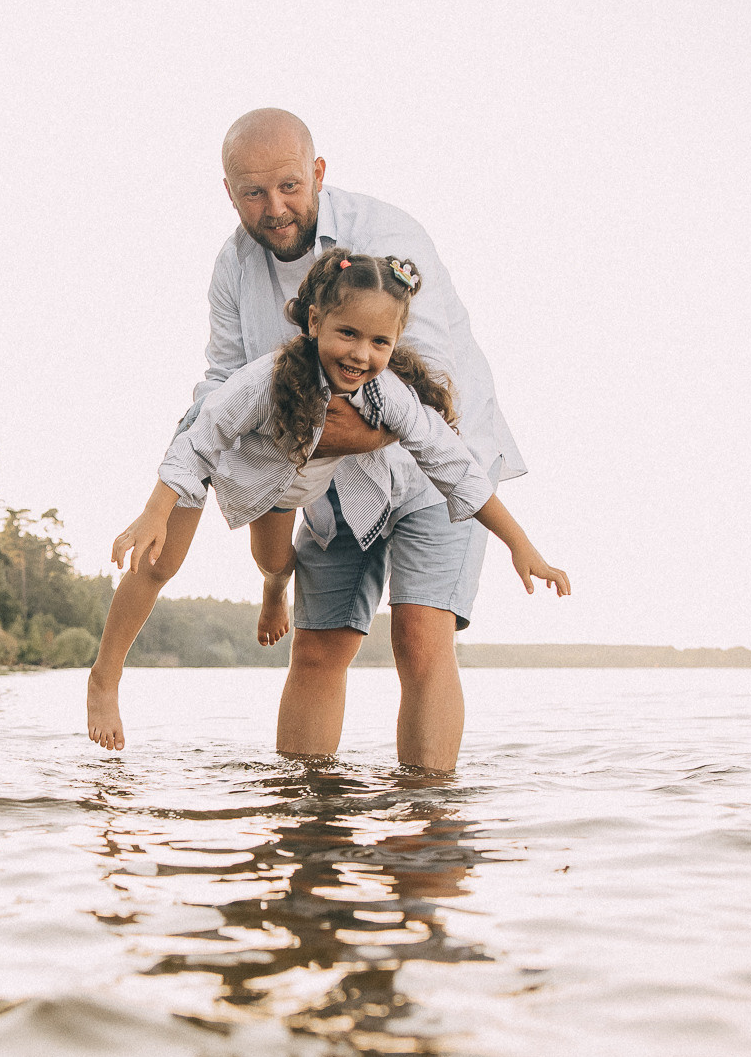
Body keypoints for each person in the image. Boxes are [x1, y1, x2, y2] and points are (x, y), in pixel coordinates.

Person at [87, 109, 528, 769]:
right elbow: (222, 381)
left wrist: (524, 545)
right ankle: (305, 826)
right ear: (229, 192)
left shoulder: (387, 238)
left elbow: (431, 387)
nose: (275, 208)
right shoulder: (235, 266)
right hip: (318, 469)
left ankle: (427, 829)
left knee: (419, 634)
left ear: (318, 172)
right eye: (254, 192)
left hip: (428, 462)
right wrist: (189, 464)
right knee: (318, 645)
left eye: (290, 186)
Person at [108, 248, 566, 765]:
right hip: (256, 481)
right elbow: (198, 439)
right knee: (271, 560)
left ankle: (423, 808)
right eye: (347, 333)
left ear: (395, 344)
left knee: (308, 577)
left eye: (379, 342)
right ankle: (268, 591)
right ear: (314, 321)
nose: (360, 354)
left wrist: (522, 545)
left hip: (311, 486)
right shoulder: (267, 380)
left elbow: (454, 466)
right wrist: (154, 511)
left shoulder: (388, 395)